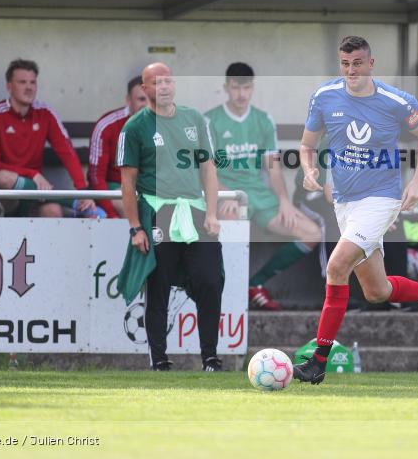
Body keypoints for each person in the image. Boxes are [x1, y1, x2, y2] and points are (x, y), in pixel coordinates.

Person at [293, 35, 418, 385]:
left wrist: (417, 182)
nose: (351, 71)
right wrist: (310, 172)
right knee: (377, 291)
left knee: (337, 267)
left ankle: (318, 361)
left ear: (371, 63)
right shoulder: (324, 96)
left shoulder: (397, 101)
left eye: (357, 64)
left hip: (381, 200)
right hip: (345, 203)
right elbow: (307, 145)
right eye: (344, 64)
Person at [116, 62, 225, 372]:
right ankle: (160, 359)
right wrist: (136, 227)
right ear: (144, 90)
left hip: (194, 211)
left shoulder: (195, 119)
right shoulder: (135, 128)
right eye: (155, 82)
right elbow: (128, 182)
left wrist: (212, 214)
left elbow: (209, 170)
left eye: (168, 81)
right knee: (159, 286)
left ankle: (210, 358)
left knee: (209, 280)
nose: (163, 87)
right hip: (157, 211)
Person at [205, 62, 321, 310]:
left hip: (258, 194)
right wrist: (223, 197)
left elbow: (273, 168)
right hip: (228, 193)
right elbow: (206, 170)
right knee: (228, 224)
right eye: (236, 88)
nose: (241, 94)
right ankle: (224, 295)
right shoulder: (210, 120)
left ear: (252, 88)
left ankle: (255, 284)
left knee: (311, 232)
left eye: (246, 88)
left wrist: (283, 202)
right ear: (227, 88)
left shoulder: (263, 120)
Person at [0, 58, 96, 217]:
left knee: (53, 211)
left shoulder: (45, 113)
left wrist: (82, 190)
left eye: (32, 83)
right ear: (9, 86)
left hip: (36, 190)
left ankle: (75, 202)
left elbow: (66, 151)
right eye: (22, 82)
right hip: (8, 194)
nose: (29, 88)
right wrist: (31, 174)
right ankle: (71, 202)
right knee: (3, 177)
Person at [88, 76, 148, 218]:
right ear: (128, 100)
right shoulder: (108, 125)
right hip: (115, 187)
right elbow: (96, 177)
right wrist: (110, 214)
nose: (147, 104)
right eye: (141, 99)